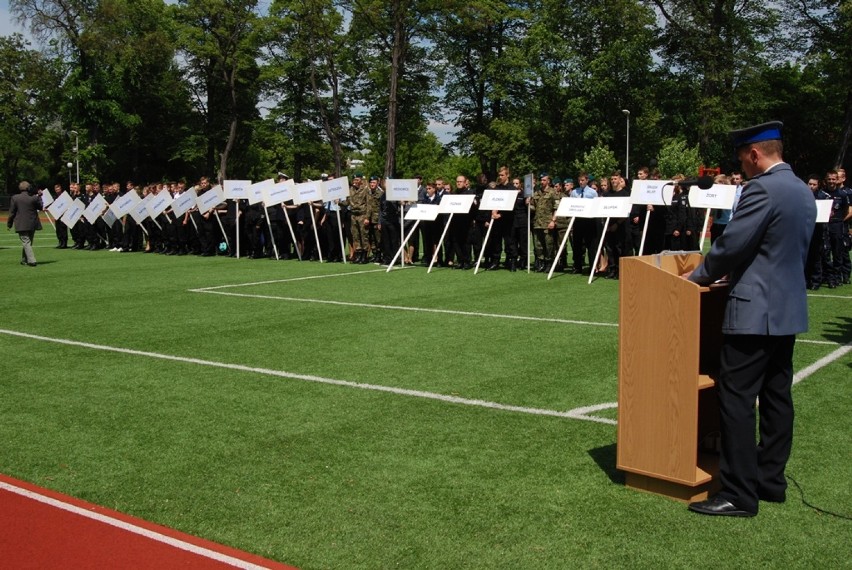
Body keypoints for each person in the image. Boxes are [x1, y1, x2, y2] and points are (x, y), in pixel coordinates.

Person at [685, 121, 816, 517]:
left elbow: (732, 243)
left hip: (755, 310)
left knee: (737, 398)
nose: (741, 167)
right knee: (777, 396)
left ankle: (739, 494)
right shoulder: (800, 189)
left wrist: (696, 278)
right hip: (787, 307)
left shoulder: (762, 188)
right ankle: (769, 481)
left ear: (755, 155)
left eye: (742, 159)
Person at [7, 180, 43, 266]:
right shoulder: (34, 197)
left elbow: (12, 213)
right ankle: (24, 259)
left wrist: (9, 224)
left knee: (26, 242)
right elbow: (41, 207)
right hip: (32, 223)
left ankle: (31, 260)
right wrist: (39, 196)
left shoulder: (15, 198)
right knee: (28, 242)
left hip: (21, 224)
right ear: (28, 188)